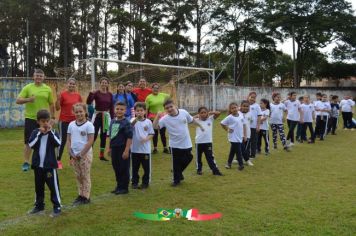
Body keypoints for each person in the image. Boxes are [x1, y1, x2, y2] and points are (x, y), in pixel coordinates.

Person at [153, 99, 204, 187]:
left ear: (175, 105)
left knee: (189, 157)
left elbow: (192, 120)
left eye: (171, 107)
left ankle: (178, 173)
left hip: (186, 143)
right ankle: (176, 180)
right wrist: (157, 116)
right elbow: (154, 127)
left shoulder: (183, 112)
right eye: (167, 108)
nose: (169, 109)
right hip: (174, 145)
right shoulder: (165, 119)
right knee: (176, 163)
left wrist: (200, 126)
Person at [16, 69, 55, 172]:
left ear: (44, 77)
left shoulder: (47, 89)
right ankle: (26, 162)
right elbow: (18, 100)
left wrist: (53, 118)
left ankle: (43, 161)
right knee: (29, 142)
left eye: (40, 76)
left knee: (44, 140)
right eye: (36, 76)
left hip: (44, 120)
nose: (38, 77)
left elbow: (51, 103)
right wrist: (28, 99)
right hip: (31, 118)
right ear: (33, 77)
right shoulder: (28, 88)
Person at [27, 109, 61, 217]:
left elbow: (58, 143)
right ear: (38, 122)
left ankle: (57, 206)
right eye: (43, 121)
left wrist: (50, 132)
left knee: (53, 187)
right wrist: (40, 134)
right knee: (38, 187)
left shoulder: (54, 132)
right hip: (38, 166)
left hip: (49, 166)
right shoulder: (35, 132)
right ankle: (39, 205)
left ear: (50, 121)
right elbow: (31, 144)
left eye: (47, 121)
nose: (45, 123)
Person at [67, 103, 94, 205]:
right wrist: (70, 152)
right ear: (73, 112)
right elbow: (68, 140)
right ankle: (80, 194)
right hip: (74, 155)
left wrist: (82, 153)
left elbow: (90, 141)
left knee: (85, 175)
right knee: (78, 175)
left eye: (81, 111)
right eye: (76, 112)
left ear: (85, 112)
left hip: (85, 155)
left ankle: (86, 197)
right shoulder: (71, 124)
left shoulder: (89, 125)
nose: (79, 114)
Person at [55, 78, 82, 169]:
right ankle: (58, 160)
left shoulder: (78, 96)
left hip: (75, 122)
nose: (71, 85)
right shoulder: (62, 94)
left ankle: (72, 159)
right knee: (62, 141)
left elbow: (80, 108)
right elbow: (57, 108)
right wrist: (58, 100)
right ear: (67, 84)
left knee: (74, 140)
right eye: (70, 84)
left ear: (75, 85)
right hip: (64, 121)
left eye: (73, 84)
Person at [107, 102, 133, 195]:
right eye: (117, 109)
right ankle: (118, 186)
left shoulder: (126, 123)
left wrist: (126, 150)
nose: (119, 111)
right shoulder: (113, 121)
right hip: (114, 148)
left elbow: (129, 137)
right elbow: (111, 135)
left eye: (121, 109)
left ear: (125, 111)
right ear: (114, 109)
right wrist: (109, 148)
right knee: (116, 167)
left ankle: (124, 187)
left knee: (124, 168)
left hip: (123, 148)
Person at [86, 77, 114, 161]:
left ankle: (101, 155)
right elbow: (88, 102)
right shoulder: (96, 93)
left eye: (106, 82)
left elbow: (112, 107)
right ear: (100, 83)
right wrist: (91, 94)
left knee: (103, 136)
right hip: (97, 116)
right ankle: (87, 153)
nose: (104, 84)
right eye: (103, 82)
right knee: (93, 135)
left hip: (105, 117)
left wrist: (112, 118)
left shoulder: (110, 94)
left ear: (107, 84)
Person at [130, 102, 155, 189]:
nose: (139, 112)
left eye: (141, 110)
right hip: (134, 149)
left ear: (145, 111)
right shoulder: (133, 120)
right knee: (134, 167)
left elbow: (151, 133)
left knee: (146, 168)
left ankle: (145, 182)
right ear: (135, 112)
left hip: (145, 150)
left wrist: (146, 139)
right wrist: (136, 119)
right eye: (137, 111)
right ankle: (134, 182)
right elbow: (129, 127)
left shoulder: (148, 122)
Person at [194, 106, 222, 176]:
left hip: (208, 142)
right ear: (199, 114)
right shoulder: (197, 120)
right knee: (198, 157)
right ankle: (199, 169)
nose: (203, 114)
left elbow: (218, 113)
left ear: (207, 113)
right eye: (201, 113)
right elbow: (188, 118)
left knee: (210, 157)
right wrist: (198, 116)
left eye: (205, 112)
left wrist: (210, 112)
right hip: (198, 142)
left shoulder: (210, 119)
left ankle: (215, 170)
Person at [145, 83, 171, 154]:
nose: (156, 89)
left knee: (163, 133)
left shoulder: (163, 95)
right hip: (152, 118)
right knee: (154, 133)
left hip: (162, 118)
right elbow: (146, 109)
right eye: (154, 88)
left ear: (159, 89)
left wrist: (171, 85)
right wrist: (146, 119)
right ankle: (155, 148)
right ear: (152, 89)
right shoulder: (148, 97)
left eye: (157, 88)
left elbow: (170, 96)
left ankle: (165, 148)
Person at [221, 102, 247, 171]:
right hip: (233, 137)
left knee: (232, 151)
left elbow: (243, 125)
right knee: (238, 151)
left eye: (235, 107)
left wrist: (244, 135)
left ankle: (228, 164)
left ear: (238, 107)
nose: (234, 109)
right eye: (232, 108)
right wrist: (227, 129)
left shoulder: (241, 115)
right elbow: (222, 123)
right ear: (230, 110)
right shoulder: (229, 117)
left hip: (239, 136)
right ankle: (241, 165)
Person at [239, 100, 254, 166]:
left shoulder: (250, 114)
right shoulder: (238, 113)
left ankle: (246, 160)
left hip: (247, 134)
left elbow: (251, 122)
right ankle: (240, 159)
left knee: (246, 148)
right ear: (241, 106)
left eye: (247, 106)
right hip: (239, 134)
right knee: (239, 148)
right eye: (244, 106)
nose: (245, 107)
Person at [247, 92, 262, 159]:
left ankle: (252, 155)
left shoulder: (257, 106)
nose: (253, 99)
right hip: (246, 127)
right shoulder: (245, 105)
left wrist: (258, 126)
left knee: (253, 141)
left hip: (253, 126)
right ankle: (246, 154)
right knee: (246, 141)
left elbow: (259, 116)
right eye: (251, 97)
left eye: (254, 97)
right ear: (248, 97)